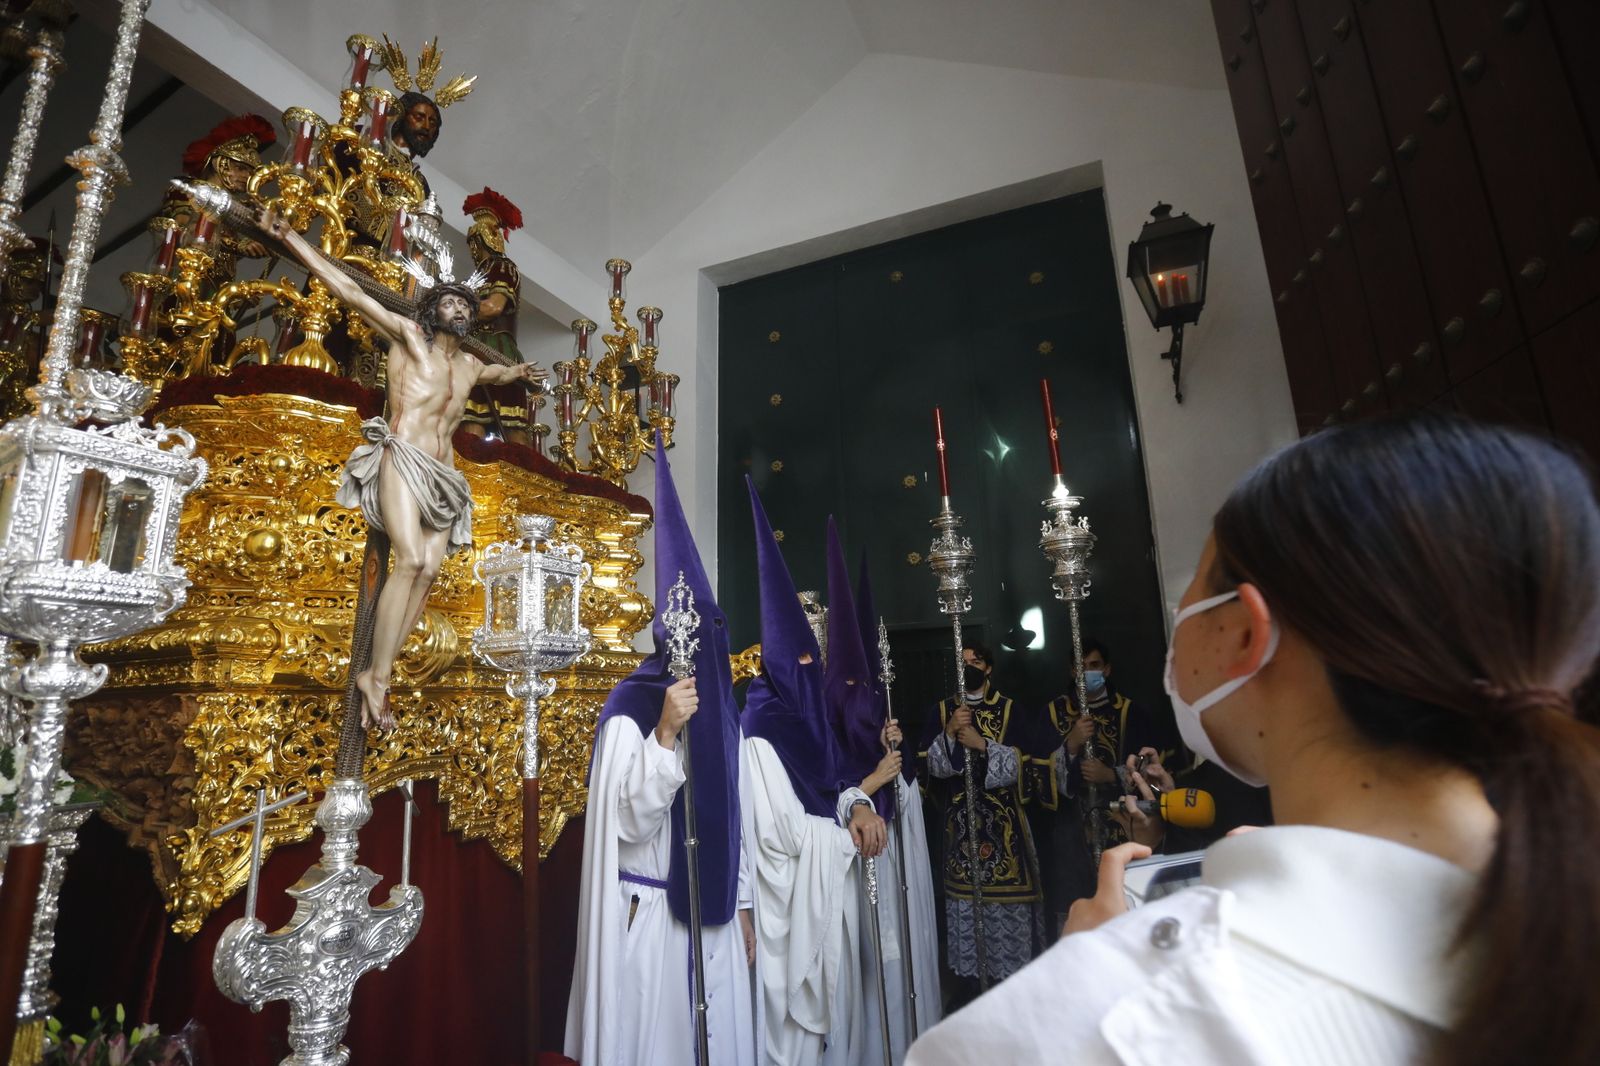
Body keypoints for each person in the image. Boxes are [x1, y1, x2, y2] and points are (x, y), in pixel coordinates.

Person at [906, 414, 1600, 1066]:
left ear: (1245, 634)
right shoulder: (1560, 916)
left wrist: (1089, 979)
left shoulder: (1103, 1019)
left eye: (1191, 599)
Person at [260, 205, 545, 730]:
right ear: (433, 310)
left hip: (446, 475)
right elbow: (349, 292)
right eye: (451, 303)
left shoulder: (473, 364)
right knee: (409, 560)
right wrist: (295, 241)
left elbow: (502, 375)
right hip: (403, 457)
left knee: (430, 570)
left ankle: (379, 673)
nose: (460, 310)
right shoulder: (409, 341)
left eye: (466, 304)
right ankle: (376, 677)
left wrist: (520, 372)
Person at [566, 437, 753, 1066]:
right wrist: (665, 736)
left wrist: (745, 906)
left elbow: (736, 816)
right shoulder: (632, 705)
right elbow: (625, 822)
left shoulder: (725, 711)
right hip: (653, 918)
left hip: (714, 920)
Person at [741, 482, 885, 1066]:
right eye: (800, 658)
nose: (810, 667)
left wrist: (856, 804)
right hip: (788, 915)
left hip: (828, 899)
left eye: (815, 657)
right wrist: (844, 834)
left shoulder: (811, 716)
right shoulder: (761, 722)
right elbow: (780, 836)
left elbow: (829, 784)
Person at [844, 544, 943, 1057]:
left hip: (897, 865)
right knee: (873, 979)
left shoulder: (883, 725)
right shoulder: (825, 733)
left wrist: (894, 758)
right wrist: (871, 783)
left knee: (902, 966)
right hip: (862, 875)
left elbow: (906, 807)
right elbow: (835, 797)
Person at [920, 641, 1043, 1001]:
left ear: (989, 668)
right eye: (963, 662)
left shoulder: (1011, 710)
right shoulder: (942, 711)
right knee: (968, 927)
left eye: (976, 661)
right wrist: (948, 734)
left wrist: (981, 744)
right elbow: (930, 770)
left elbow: (1027, 768)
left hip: (1007, 837)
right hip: (961, 835)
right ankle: (972, 993)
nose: (970, 666)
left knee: (1009, 941)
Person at [1031, 638, 1176, 918]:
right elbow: (1037, 777)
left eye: (1094, 666)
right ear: (1071, 672)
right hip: (1071, 833)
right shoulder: (1052, 714)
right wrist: (1070, 745)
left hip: (1122, 827)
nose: (1087, 673)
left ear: (1107, 670)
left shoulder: (1131, 714)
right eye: (1080, 667)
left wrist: (1111, 774)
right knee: (1076, 909)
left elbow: (1155, 775)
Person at [458, 187, 533, 445]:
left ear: (485, 240)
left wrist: (455, 313)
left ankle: (524, 475)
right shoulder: (477, 276)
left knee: (511, 424)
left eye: (474, 243)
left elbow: (493, 307)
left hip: (496, 346)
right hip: (474, 348)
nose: (473, 250)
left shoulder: (502, 267)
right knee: (470, 417)